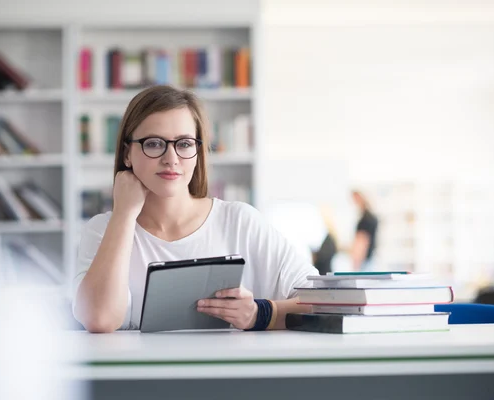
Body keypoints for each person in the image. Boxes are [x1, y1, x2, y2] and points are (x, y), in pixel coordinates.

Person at [72, 85, 319, 333]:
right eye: (155, 143)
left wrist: (260, 314)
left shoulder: (239, 222)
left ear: (198, 152)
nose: (171, 158)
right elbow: (100, 319)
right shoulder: (102, 230)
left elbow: (322, 301)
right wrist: (124, 214)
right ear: (127, 154)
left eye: (185, 144)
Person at [350, 191, 379, 271]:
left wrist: (356, 263)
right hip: (371, 258)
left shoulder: (365, 219)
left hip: (365, 260)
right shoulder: (370, 217)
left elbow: (362, 242)